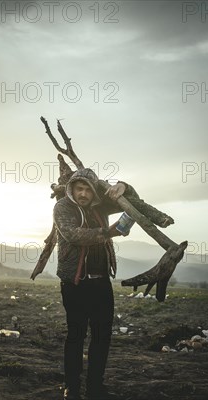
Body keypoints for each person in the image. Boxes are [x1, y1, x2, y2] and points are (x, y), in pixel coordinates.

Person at [54, 168, 136, 400]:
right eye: (79, 188)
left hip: (101, 282)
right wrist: (109, 232)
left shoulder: (101, 206)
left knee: (102, 336)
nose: (83, 194)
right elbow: (74, 235)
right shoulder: (62, 207)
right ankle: (72, 386)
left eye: (88, 189)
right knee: (76, 335)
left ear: (94, 192)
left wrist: (124, 186)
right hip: (75, 283)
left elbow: (134, 201)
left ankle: (95, 386)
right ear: (71, 189)